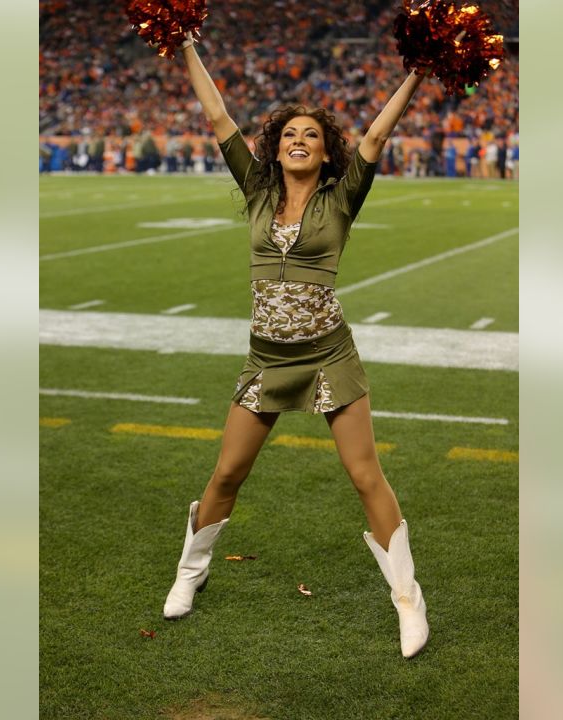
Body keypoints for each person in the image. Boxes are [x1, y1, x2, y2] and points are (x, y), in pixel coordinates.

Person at [161, 36, 430, 659]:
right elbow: (218, 115)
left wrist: (418, 71)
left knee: (366, 475)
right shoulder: (257, 192)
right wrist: (187, 47)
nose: (299, 140)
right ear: (276, 149)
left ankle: (408, 602)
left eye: (311, 134)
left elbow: (375, 138)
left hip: (329, 355)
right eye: (289, 135)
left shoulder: (342, 198)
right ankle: (189, 574)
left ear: (324, 149)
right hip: (266, 359)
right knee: (228, 471)